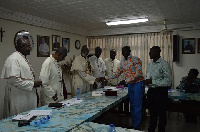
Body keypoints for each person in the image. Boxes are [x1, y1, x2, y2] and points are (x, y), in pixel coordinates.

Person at [105, 46, 145, 130]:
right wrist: (105, 77)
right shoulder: (122, 63)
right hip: (131, 85)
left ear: (130, 51)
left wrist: (126, 81)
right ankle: (134, 124)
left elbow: (138, 74)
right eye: (123, 51)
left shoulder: (136, 60)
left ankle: (136, 126)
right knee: (133, 106)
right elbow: (116, 74)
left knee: (137, 106)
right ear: (122, 52)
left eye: (127, 50)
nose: (125, 52)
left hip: (138, 84)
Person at [0, 38, 42, 118]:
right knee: (18, 117)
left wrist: (33, 83)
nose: (30, 49)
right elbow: (14, 80)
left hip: (25, 95)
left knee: (28, 117)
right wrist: (33, 84)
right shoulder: (13, 59)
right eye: (28, 46)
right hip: (18, 96)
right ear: (21, 47)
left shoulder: (22, 58)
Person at [145, 46, 172, 132]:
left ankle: (161, 130)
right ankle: (151, 129)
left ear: (157, 53)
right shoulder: (150, 64)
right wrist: (147, 81)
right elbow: (148, 77)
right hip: (151, 92)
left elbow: (168, 82)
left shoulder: (164, 64)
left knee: (161, 114)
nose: (149, 54)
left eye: (151, 52)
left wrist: (153, 81)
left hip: (161, 92)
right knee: (152, 113)